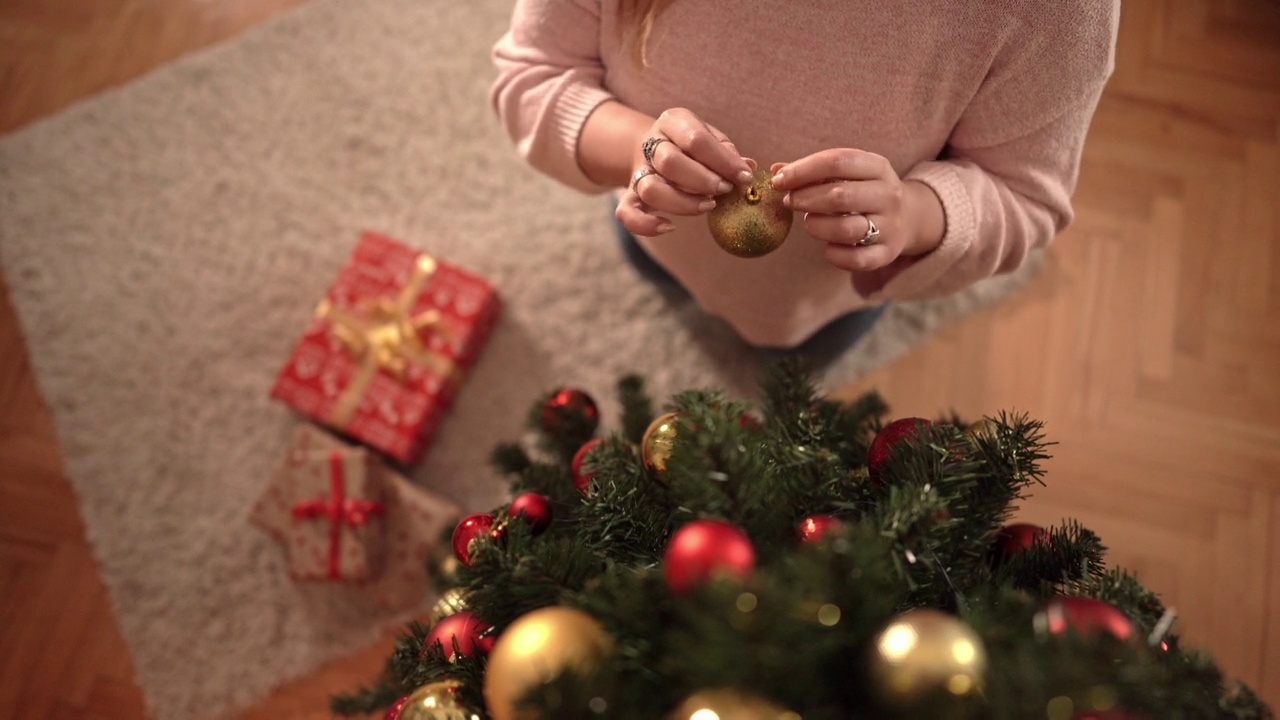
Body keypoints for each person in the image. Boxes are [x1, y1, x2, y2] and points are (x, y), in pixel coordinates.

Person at [489, 0, 1120, 354]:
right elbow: (533, 76)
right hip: (655, 234)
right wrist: (633, 148)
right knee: (654, 268)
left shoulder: (1056, 14)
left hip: (823, 301)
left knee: (790, 355)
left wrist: (916, 214)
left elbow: (1026, 194)